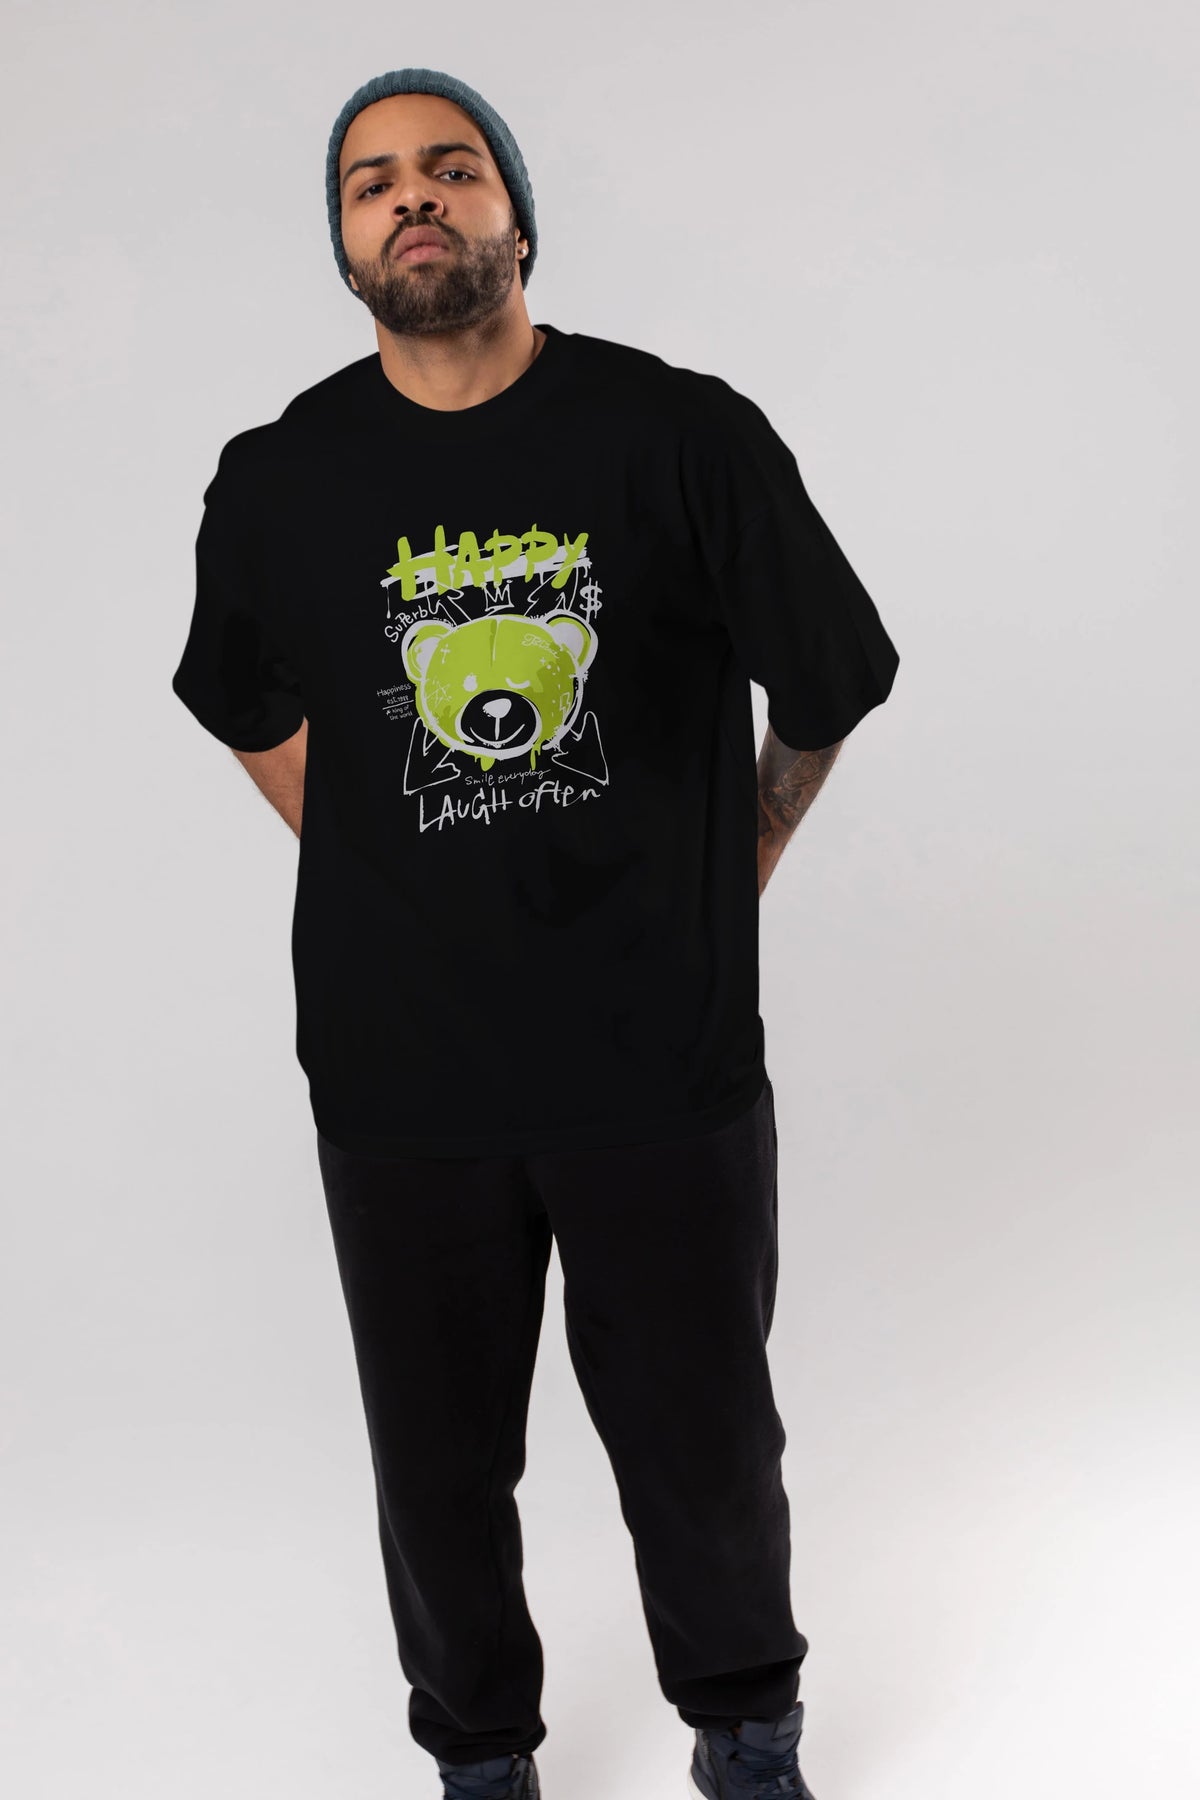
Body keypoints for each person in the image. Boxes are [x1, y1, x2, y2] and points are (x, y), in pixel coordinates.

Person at [170, 65, 899, 1800]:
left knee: (704, 1441)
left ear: (516, 214)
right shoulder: (279, 478)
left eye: (452, 167)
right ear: (345, 243)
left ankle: (747, 1730)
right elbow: (245, 702)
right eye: (372, 183)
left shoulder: (681, 435)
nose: (413, 197)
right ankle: (480, 1757)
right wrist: (378, 857)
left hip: (660, 1057)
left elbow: (829, 676)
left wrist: (745, 854)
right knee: (435, 1469)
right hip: (402, 1073)